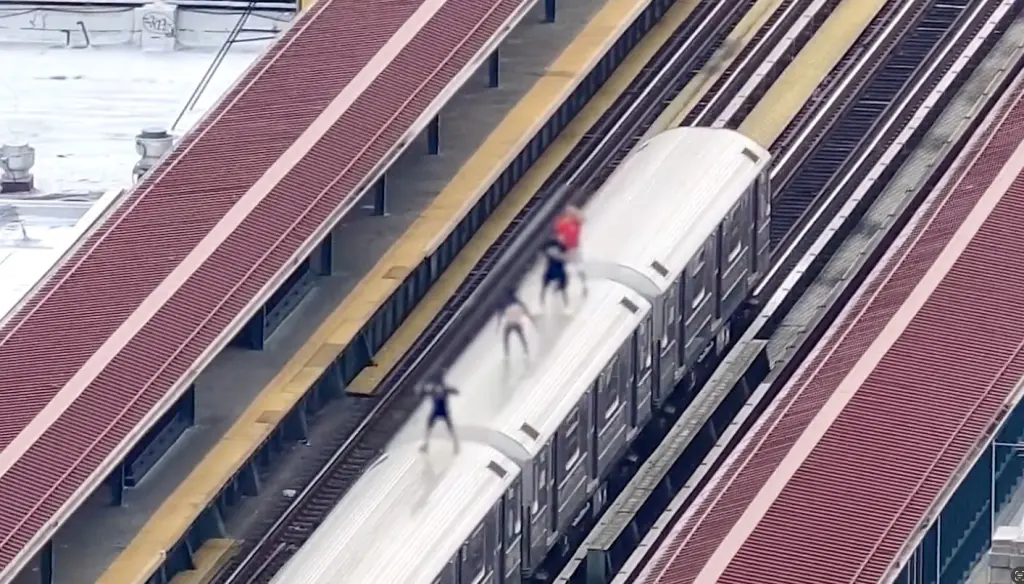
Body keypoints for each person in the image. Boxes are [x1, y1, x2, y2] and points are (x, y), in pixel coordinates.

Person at [417, 372, 460, 453]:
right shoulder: (443, 389)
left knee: (430, 427)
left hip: (438, 411)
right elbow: (455, 391)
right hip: (442, 411)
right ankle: (455, 443)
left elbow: (423, 393)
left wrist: (422, 389)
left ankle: (426, 445)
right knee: (448, 428)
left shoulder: (436, 389)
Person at [554, 205, 587, 297]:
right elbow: (560, 237)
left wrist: (575, 212)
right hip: (568, 249)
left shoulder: (574, 222)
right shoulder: (562, 223)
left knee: (577, 267)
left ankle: (583, 285)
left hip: (574, 249)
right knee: (570, 268)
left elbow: (583, 219)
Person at [498, 288, 536, 358]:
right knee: (511, 337)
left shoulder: (513, 301)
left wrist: (530, 317)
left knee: (518, 337)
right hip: (512, 323)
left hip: (513, 323)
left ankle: (525, 351)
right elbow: (501, 312)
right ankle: (509, 353)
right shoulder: (512, 301)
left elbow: (524, 308)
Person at [540, 236, 571, 311]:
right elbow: (565, 253)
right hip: (555, 268)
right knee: (561, 288)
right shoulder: (558, 246)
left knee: (545, 287)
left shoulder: (549, 246)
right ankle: (565, 306)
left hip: (554, 268)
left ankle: (542, 303)